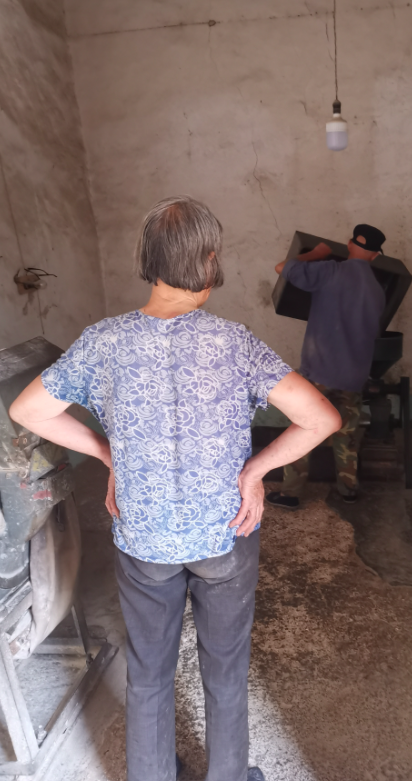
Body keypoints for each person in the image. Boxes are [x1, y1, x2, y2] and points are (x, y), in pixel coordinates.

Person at [9, 196, 341, 781]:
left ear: (148, 259)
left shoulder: (104, 341)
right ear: (209, 260)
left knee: (148, 673)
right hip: (224, 535)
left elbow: (28, 410)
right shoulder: (235, 342)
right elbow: (321, 419)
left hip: (144, 539)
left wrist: (108, 454)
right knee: (226, 672)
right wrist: (254, 472)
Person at [267, 224, 386, 509]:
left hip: (319, 371)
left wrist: (316, 254)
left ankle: (290, 493)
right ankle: (348, 491)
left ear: (349, 245)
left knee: (304, 428)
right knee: (347, 435)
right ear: (375, 255)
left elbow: (282, 267)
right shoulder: (377, 290)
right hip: (354, 376)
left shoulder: (331, 271)